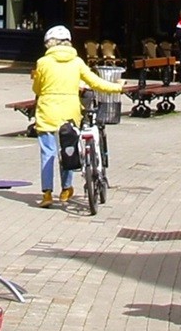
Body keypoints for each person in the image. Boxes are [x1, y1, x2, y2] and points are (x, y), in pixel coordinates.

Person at [31, 26, 126, 206]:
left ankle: (47, 194)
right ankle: (66, 189)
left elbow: (36, 88)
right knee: (67, 149)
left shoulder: (42, 62)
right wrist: (118, 87)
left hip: (47, 111)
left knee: (48, 153)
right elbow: (95, 82)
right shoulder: (77, 62)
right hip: (70, 111)